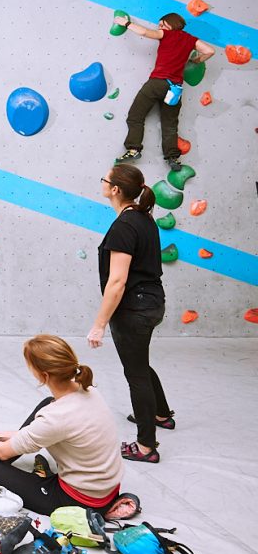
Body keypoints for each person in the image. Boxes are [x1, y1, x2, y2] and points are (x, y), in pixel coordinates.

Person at [0, 335, 127, 516]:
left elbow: (46, 429)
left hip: (79, 501)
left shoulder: (55, 417)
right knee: (47, 402)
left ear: (43, 375)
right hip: (106, 489)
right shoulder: (89, 390)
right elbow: (54, 429)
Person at [88, 163, 171, 464]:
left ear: (115, 190)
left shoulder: (125, 225)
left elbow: (118, 281)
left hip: (134, 308)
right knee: (140, 364)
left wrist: (99, 324)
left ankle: (146, 446)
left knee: (135, 373)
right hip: (151, 302)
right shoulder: (143, 218)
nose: (103, 183)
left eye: (105, 179)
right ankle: (161, 413)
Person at [112, 12, 215, 171]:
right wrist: (196, 60)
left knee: (136, 116)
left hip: (157, 83)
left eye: (161, 24)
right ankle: (172, 158)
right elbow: (210, 50)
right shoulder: (190, 39)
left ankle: (133, 149)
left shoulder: (166, 34)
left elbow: (144, 32)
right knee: (170, 124)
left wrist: (125, 23)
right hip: (175, 88)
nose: (159, 27)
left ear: (170, 24)